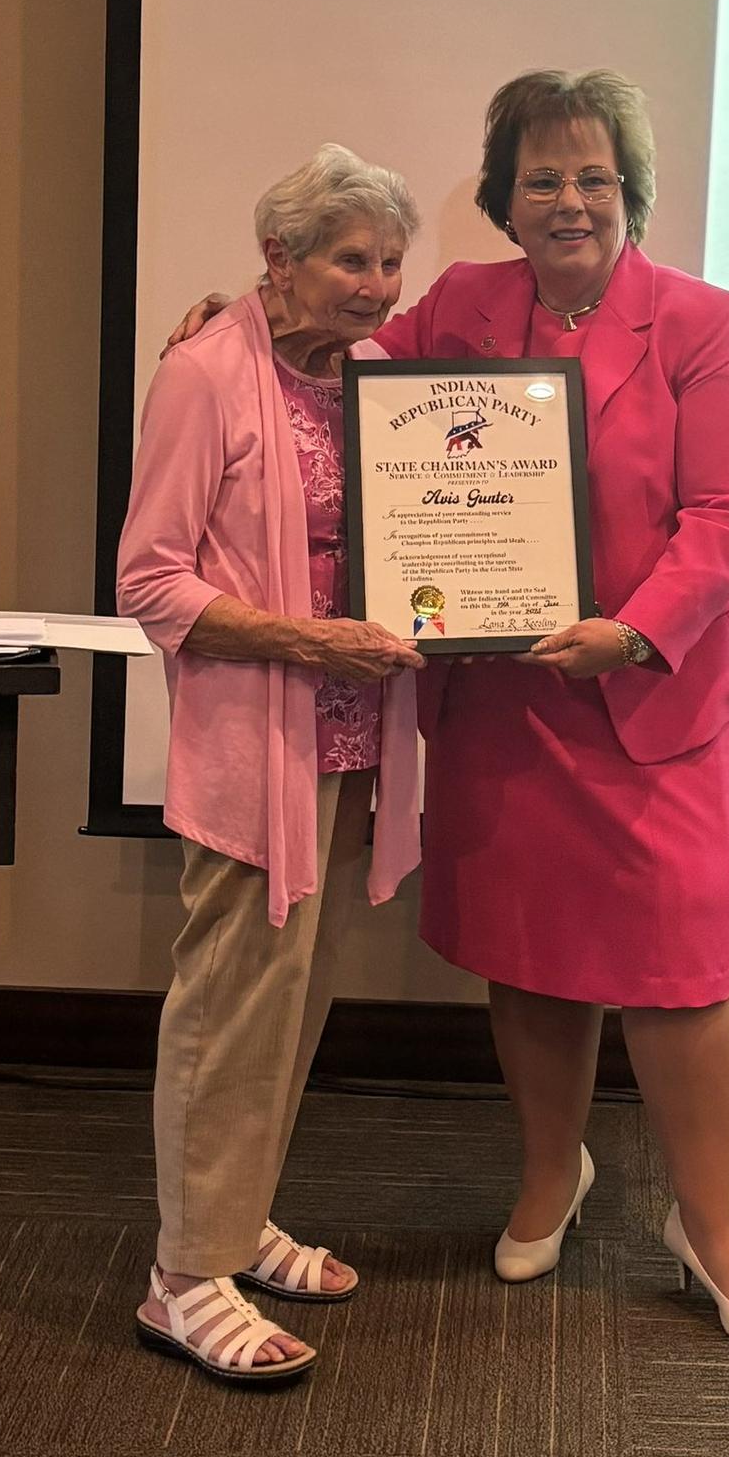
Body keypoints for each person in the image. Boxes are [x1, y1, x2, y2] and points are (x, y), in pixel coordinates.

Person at [166, 72, 729, 1351]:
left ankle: (713, 1227)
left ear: (631, 192)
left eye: (595, 177)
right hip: (511, 698)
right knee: (532, 952)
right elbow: (345, 378)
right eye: (542, 178)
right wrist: (241, 322)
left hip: (654, 694)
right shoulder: (462, 304)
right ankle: (551, 1174)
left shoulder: (702, 322)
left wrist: (633, 632)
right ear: (506, 199)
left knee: (680, 975)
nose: (571, 200)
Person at [118, 142, 426, 1382]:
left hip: (350, 741)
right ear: (278, 259)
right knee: (230, 1003)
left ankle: (233, 1222)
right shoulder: (203, 373)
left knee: (291, 1002)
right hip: (257, 745)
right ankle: (184, 1277)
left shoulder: (379, 377)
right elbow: (152, 581)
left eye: (392, 262)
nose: (378, 285)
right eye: (352, 260)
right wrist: (309, 641)